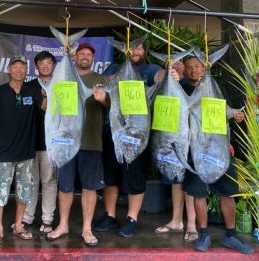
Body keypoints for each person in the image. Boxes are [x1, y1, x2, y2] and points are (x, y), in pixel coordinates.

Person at [93, 38, 180, 238]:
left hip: (137, 136)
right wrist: (103, 93)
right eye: (130, 46)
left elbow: (160, 77)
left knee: (135, 177)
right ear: (124, 51)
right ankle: (110, 215)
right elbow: (107, 96)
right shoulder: (112, 69)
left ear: (144, 50)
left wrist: (170, 74)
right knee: (110, 177)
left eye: (138, 46)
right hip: (114, 132)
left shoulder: (149, 69)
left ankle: (132, 218)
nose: (134, 50)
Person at [177, 56, 250, 253]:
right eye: (190, 67)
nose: (194, 70)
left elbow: (225, 109)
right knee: (199, 194)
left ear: (204, 68)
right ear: (185, 71)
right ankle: (203, 235)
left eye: (198, 66)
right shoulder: (181, 90)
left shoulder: (216, 87)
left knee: (227, 192)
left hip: (219, 149)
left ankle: (231, 235)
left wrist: (235, 115)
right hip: (196, 150)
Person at [44, 43, 109, 247]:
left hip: (90, 142)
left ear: (93, 58)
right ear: (75, 57)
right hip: (64, 141)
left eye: (88, 54)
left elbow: (112, 105)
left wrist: (104, 98)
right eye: (81, 53)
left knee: (90, 187)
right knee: (65, 187)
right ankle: (63, 225)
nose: (84, 57)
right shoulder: (62, 76)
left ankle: (87, 228)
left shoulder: (100, 80)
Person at [0, 58, 44, 246]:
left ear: (26, 71)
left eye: (22, 67)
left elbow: (45, 108)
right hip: (3, 153)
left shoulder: (33, 91)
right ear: (9, 70)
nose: (18, 70)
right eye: (15, 67)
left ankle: (18, 225)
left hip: (26, 152)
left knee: (25, 191)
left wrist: (46, 96)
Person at [22, 51, 58, 234]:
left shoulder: (61, 86)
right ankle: (27, 217)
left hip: (52, 144)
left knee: (49, 181)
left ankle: (47, 219)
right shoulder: (27, 86)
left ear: (54, 65)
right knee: (30, 181)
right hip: (30, 142)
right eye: (41, 62)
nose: (45, 65)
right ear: (35, 66)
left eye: (49, 62)